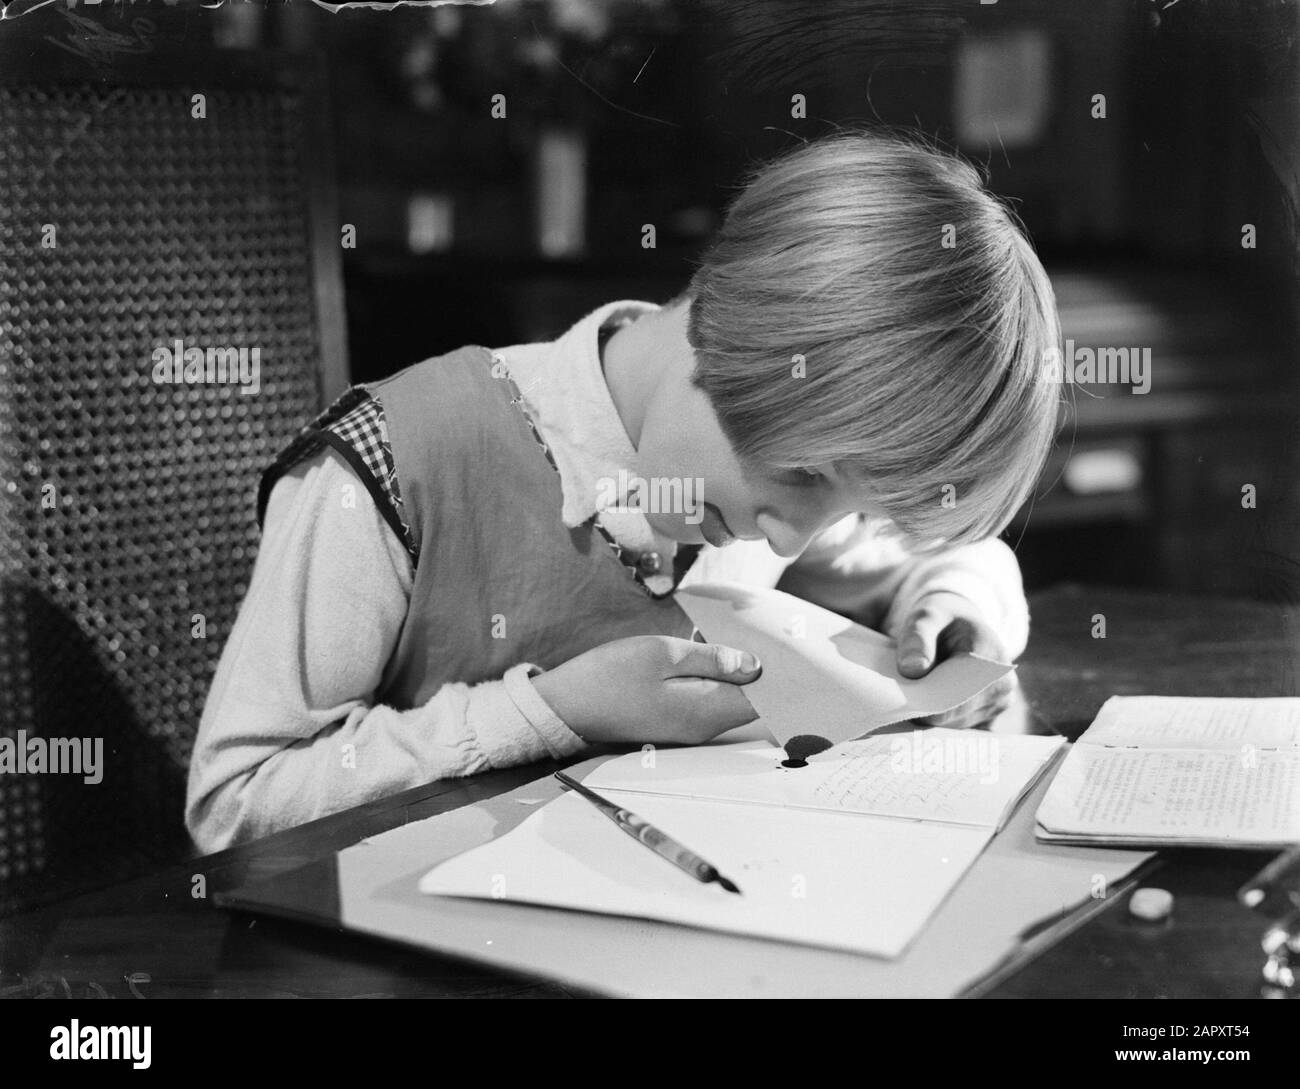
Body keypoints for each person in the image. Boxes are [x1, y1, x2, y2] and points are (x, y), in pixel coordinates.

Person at [185, 129, 1060, 853]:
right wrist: (551, 709)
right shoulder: (388, 468)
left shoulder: (761, 474)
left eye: (854, 507)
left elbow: (953, 557)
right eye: (801, 477)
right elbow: (234, 806)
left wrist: (952, 604)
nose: (791, 541)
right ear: (732, 337)